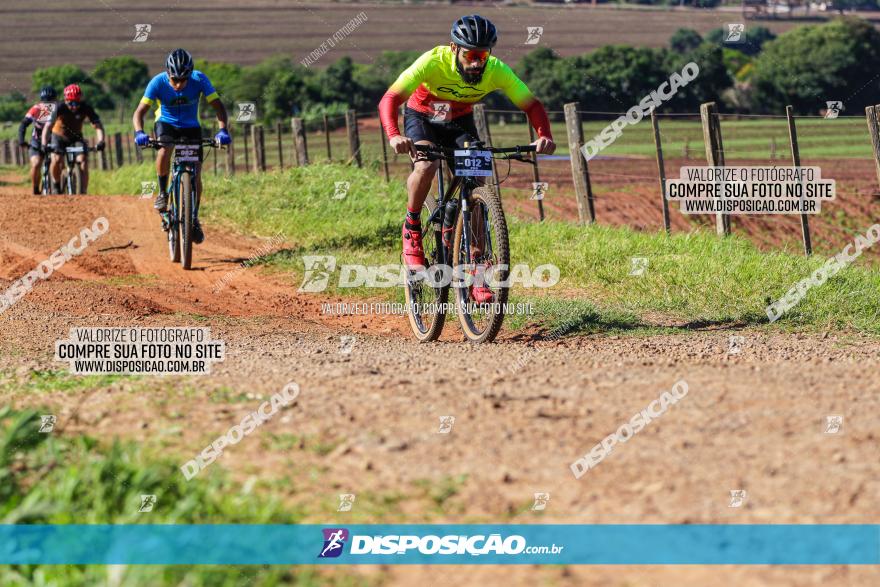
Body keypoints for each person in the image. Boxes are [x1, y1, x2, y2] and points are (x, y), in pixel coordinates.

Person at [378, 14, 556, 302]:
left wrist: (543, 133)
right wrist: (394, 135)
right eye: (471, 55)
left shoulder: (495, 70)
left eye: (483, 55)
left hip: (460, 121)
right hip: (422, 116)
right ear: (454, 48)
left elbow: (531, 104)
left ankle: (477, 264)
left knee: (476, 178)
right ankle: (411, 228)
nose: (477, 62)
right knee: (426, 164)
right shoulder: (432, 62)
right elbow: (390, 98)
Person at [131, 48, 230, 244]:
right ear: (167, 74)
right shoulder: (157, 82)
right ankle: (162, 193)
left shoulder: (200, 79)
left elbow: (218, 106)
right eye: (174, 79)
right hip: (166, 124)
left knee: (197, 173)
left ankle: (193, 218)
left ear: (190, 75)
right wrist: (139, 132)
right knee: (165, 148)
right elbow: (139, 112)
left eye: (182, 80)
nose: (178, 84)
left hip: (191, 127)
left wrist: (223, 130)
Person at [41, 84, 105, 194]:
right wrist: (44, 144)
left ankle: (83, 190)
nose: (74, 106)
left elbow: (98, 126)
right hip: (58, 137)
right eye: (71, 103)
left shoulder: (86, 107)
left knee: (83, 160)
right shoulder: (59, 107)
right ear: (65, 100)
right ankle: (56, 184)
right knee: (56, 159)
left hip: (76, 138)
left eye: (77, 103)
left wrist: (101, 141)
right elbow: (47, 127)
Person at [18, 85, 57, 194]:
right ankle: (35, 188)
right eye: (45, 102)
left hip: (54, 139)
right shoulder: (36, 109)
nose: (48, 105)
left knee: (58, 161)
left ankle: (57, 184)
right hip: (37, 141)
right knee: (36, 163)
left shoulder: (59, 109)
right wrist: (21, 140)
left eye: (51, 101)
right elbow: (23, 124)